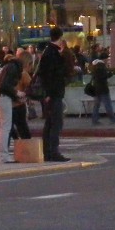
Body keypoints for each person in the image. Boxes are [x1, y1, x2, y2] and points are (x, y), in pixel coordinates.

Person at [37, 26, 75, 162]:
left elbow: (44, 74)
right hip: (54, 93)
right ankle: (53, 151)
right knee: (56, 123)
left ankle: (48, 152)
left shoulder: (48, 51)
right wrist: (50, 93)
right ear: (60, 37)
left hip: (51, 93)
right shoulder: (54, 54)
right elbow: (52, 75)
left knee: (50, 123)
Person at [0, 53, 22, 162]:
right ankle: (4, 155)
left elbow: (2, 84)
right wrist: (16, 93)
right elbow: (6, 86)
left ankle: (2, 154)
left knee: (2, 127)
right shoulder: (14, 68)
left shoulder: (7, 67)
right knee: (5, 127)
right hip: (4, 97)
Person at [89, 55, 115, 125]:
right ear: (104, 59)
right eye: (107, 59)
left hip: (96, 89)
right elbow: (104, 76)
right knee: (107, 105)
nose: (107, 60)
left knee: (96, 105)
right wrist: (110, 74)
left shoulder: (95, 67)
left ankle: (94, 120)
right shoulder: (101, 67)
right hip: (103, 89)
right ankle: (113, 119)